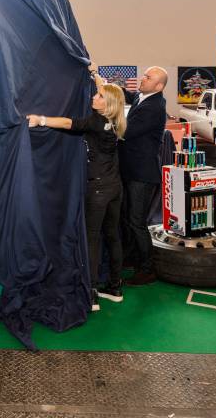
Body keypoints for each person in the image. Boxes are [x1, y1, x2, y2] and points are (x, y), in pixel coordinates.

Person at [27, 68, 127, 310]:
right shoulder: (116, 121)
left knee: (92, 239)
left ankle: (91, 294)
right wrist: (96, 75)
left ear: (107, 104)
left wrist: (40, 120)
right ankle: (115, 287)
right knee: (112, 236)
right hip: (115, 188)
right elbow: (107, 93)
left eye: (99, 96)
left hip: (98, 189)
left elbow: (68, 123)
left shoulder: (96, 121)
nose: (94, 96)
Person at [118, 66, 167, 286]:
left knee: (137, 222)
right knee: (128, 218)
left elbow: (126, 132)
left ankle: (148, 269)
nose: (143, 79)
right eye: (145, 75)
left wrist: (105, 125)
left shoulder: (154, 107)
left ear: (159, 86)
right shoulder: (143, 96)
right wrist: (101, 82)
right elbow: (127, 95)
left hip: (142, 174)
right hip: (132, 170)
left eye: (148, 77)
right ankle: (132, 258)